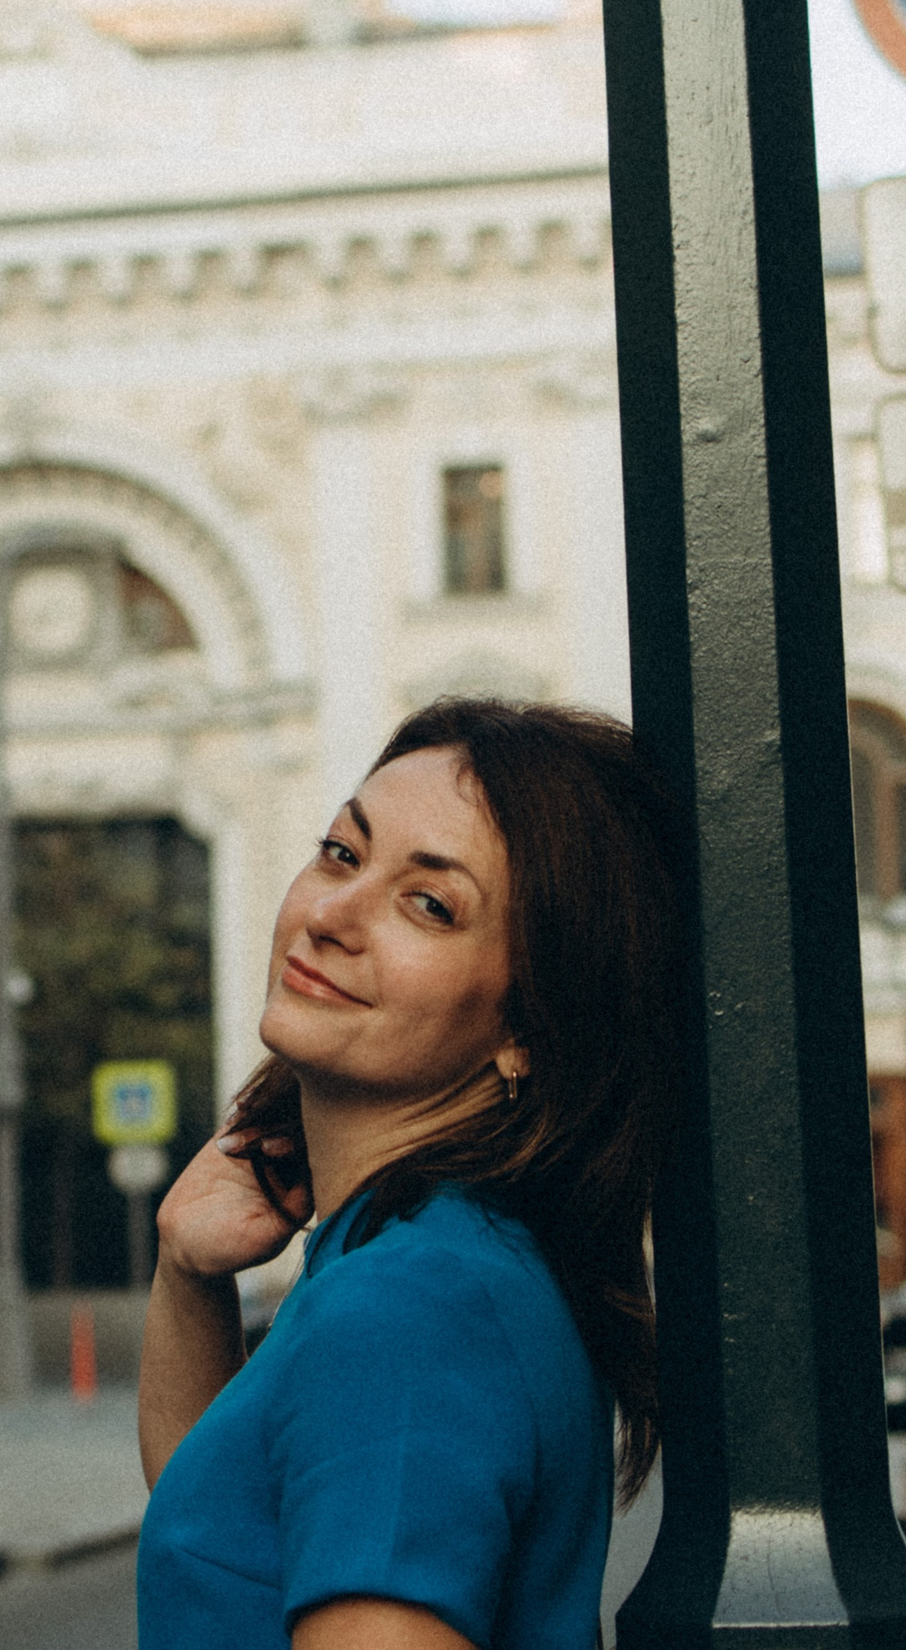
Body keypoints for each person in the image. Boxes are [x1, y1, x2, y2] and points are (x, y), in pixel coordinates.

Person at [136, 698, 675, 1650]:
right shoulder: (447, 1253)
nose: (333, 913)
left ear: (530, 1029)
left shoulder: (410, 1304)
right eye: (343, 852)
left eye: (430, 904)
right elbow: (235, 1531)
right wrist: (189, 1271)